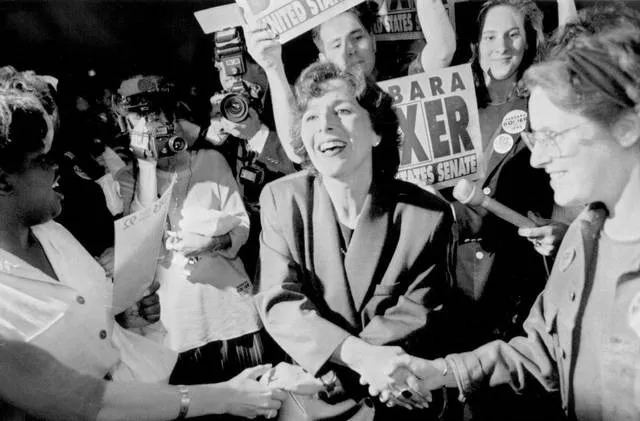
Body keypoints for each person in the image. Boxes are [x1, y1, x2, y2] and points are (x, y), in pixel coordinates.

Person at [384, 4, 640, 421]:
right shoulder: (582, 242)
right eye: (535, 138)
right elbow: (542, 350)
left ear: (628, 125)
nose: (537, 159)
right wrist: (442, 371)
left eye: (553, 136)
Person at [0, 87, 286, 420]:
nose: (57, 168)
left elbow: (103, 330)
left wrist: (125, 317)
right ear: (3, 182)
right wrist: (223, 397)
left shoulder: (56, 235)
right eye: (41, 160)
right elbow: (83, 399)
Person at [255, 61, 457, 420]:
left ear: (376, 132)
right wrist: (360, 358)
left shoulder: (426, 215)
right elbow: (281, 304)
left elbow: (413, 319)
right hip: (314, 399)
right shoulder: (281, 200)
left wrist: (332, 381)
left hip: (385, 397)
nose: (325, 124)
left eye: (343, 110)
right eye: (312, 117)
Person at [114, 75, 279, 400]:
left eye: (159, 114)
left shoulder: (211, 160)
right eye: (141, 117)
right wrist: (146, 167)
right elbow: (141, 244)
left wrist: (213, 243)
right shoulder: (125, 180)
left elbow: (241, 226)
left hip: (234, 319)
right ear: (126, 124)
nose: (155, 123)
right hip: (177, 334)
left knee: (259, 406)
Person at [245, 0, 456, 164]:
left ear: (373, 42)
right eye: (336, 45)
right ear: (323, 59)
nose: (350, 49)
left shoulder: (403, 77)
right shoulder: (320, 103)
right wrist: (273, 67)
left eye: (357, 37)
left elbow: (442, 51)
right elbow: (296, 149)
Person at [207, 57, 297, 276]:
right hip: (250, 247)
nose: (227, 77)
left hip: (292, 234)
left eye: (234, 67)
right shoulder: (226, 105)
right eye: (220, 69)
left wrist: (258, 136)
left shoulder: (292, 100)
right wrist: (210, 144)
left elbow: (305, 170)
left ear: (260, 64)